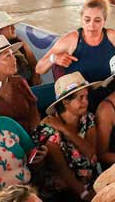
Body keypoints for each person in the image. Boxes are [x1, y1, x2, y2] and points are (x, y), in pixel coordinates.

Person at [35, 0, 115, 98]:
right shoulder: (72, 39)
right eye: (87, 20)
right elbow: (39, 68)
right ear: (81, 20)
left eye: (97, 20)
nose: (91, 25)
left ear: (104, 21)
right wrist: (54, 58)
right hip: (80, 99)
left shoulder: (112, 36)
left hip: (111, 95)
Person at [34, 73, 100, 201]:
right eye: (80, 98)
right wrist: (84, 194)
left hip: (91, 182)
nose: (85, 102)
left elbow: (91, 152)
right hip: (64, 190)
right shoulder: (48, 131)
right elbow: (63, 170)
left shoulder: (87, 119)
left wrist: (65, 129)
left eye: (86, 97)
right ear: (65, 101)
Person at [0, 36, 39, 133]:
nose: (14, 59)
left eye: (13, 54)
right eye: (8, 56)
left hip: (29, 135)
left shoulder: (19, 82)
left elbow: (33, 111)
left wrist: (35, 134)